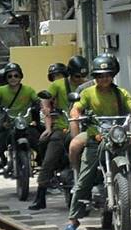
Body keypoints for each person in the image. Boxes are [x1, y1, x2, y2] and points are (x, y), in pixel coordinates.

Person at [64, 54, 131, 230]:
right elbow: (77, 107)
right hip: (96, 138)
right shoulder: (87, 93)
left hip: (118, 137)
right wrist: (76, 114)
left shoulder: (121, 93)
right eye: (100, 75)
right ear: (95, 76)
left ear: (113, 75)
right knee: (85, 177)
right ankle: (73, 219)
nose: (104, 78)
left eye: (108, 75)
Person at [30, 58, 88, 210]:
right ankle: (40, 196)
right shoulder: (58, 85)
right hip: (62, 128)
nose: (80, 79)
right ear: (70, 73)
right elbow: (45, 100)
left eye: (83, 76)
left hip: (84, 128)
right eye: (77, 76)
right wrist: (48, 123)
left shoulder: (89, 86)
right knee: (49, 158)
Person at [0, 62, 38, 198]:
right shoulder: (1, 91)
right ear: (6, 78)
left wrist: (40, 105)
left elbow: (37, 100)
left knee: (43, 146)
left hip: (25, 125)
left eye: (16, 75)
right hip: (7, 127)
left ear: (20, 76)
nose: (13, 78)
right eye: (10, 76)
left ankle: (49, 181)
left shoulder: (28, 90)